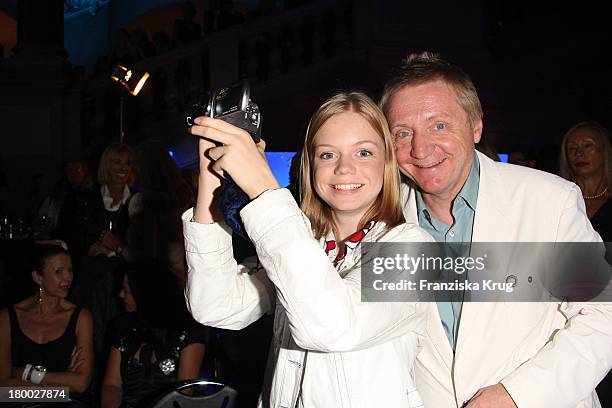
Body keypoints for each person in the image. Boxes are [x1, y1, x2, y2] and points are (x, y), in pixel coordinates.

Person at [380, 51, 612, 407]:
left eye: (439, 125)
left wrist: (517, 396)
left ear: (476, 126)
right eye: (403, 132)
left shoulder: (548, 201)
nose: (421, 148)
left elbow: (603, 317)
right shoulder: (382, 224)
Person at [184, 92, 433, 407]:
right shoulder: (307, 244)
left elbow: (332, 327)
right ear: (309, 164)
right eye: (328, 155)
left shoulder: (415, 249)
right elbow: (215, 305)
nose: (344, 168)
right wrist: (212, 179)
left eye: (364, 153)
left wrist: (262, 188)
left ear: (386, 163)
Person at [100, 262, 207, 408]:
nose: (120, 295)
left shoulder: (188, 331)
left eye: (127, 291)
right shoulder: (123, 325)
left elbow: (184, 394)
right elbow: (112, 384)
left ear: (144, 295)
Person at [0, 243, 94, 399]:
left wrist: (26, 373)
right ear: (38, 277)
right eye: (59, 272)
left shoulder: (81, 317)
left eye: (70, 270)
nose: (68, 278)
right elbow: (3, 387)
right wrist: (61, 389)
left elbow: (81, 383)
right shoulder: (7, 317)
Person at [560, 121, 612, 240]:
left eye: (588, 145)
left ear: (604, 150)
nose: (579, 153)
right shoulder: (558, 197)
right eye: (572, 148)